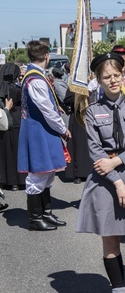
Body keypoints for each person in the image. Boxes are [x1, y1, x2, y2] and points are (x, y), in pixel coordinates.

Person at [75, 52, 125, 293]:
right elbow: (95, 150)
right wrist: (116, 181)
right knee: (111, 242)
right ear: (98, 80)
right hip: (105, 181)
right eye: (106, 77)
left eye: (116, 75)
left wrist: (118, 161)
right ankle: (119, 288)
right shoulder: (92, 112)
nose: (112, 80)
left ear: (123, 75)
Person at [18, 40, 71, 231]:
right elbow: (47, 110)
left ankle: (46, 213)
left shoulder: (35, 75)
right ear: (47, 56)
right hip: (38, 130)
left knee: (47, 173)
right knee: (38, 174)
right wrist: (62, 128)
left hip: (41, 129)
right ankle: (35, 218)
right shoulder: (36, 79)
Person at [0, 63, 27, 191]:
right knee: (17, 152)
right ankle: (18, 180)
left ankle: (7, 180)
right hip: (17, 123)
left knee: (5, 153)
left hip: (3, 123)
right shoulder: (17, 89)